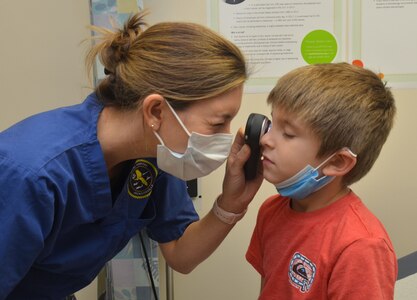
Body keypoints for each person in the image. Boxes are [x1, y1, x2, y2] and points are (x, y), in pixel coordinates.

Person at [0, 12, 263, 299]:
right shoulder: (33, 173)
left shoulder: (152, 155)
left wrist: (232, 203)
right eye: (217, 123)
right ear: (156, 111)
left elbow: (180, 254)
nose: (226, 136)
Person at [246, 63, 397, 299]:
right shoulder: (271, 211)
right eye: (272, 123)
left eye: (288, 134)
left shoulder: (360, 246)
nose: (265, 139)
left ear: (337, 162)